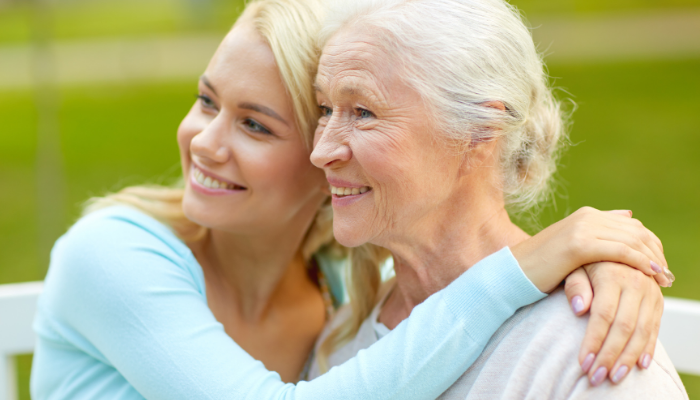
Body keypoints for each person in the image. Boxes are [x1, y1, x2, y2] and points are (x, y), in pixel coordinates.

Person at [31, 0, 672, 399]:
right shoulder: (116, 254)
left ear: (482, 130)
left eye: (361, 112)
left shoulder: (339, 296)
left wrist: (601, 263)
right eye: (206, 100)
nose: (205, 141)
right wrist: (522, 270)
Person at [308, 0, 686, 397]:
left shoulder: (595, 353)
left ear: (479, 131)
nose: (321, 151)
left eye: (363, 112)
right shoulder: (341, 341)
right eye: (325, 108)